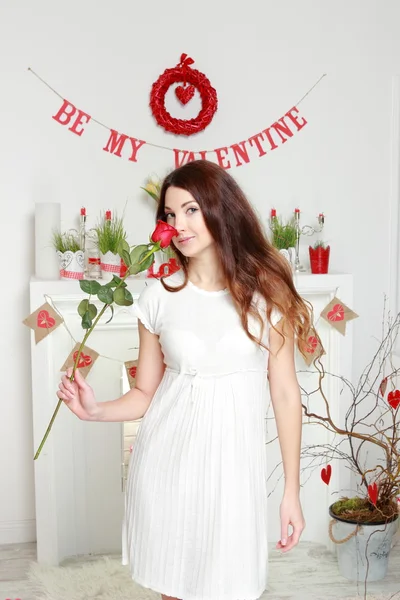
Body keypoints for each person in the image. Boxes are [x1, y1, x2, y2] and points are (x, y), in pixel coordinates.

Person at [58, 159, 312, 600]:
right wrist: (95, 410)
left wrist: (292, 490)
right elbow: (144, 394)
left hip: (234, 472)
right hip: (166, 462)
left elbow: (286, 394)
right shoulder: (158, 297)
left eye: (191, 210)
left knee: (232, 585)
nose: (179, 224)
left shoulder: (266, 294)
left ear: (220, 209)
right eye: (170, 215)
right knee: (173, 586)